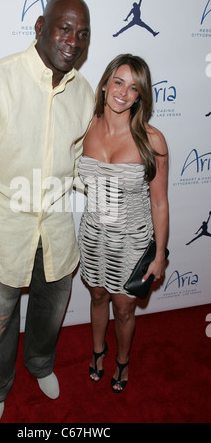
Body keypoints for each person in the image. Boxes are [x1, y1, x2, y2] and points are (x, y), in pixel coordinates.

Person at [0, 0, 94, 423]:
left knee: (50, 316)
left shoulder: (83, 93)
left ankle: (40, 364)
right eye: (64, 28)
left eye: (82, 34)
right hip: (0, 236)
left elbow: (79, 162)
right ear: (39, 28)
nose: (73, 41)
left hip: (57, 234)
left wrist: (116, 184)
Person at [77, 54, 169, 392]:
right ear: (104, 84)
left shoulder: (151, 140)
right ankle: (98, 351)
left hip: (132, 242)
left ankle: (123, 361)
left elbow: (159, 201)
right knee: (98, 297)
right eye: (118, 82)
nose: (123, 92)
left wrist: (159, 255)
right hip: (93, 237)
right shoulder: (84, 127)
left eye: (134, 88)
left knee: (124, 308)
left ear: (140, 96)